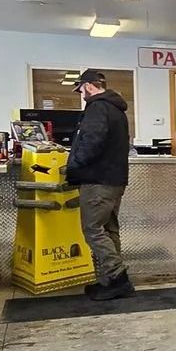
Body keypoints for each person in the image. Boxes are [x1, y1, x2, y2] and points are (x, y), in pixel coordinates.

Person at [64, 69, 133, 300]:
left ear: (88, 85)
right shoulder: (116, 109)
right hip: (114, 180)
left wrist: (75, 165)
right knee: (109, 229)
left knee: (93, 230)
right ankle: (108, 281)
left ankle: (118, 278)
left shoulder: (97, 107)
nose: (81, 94)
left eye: (81, 89)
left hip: (97, 181)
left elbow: (91, 141)